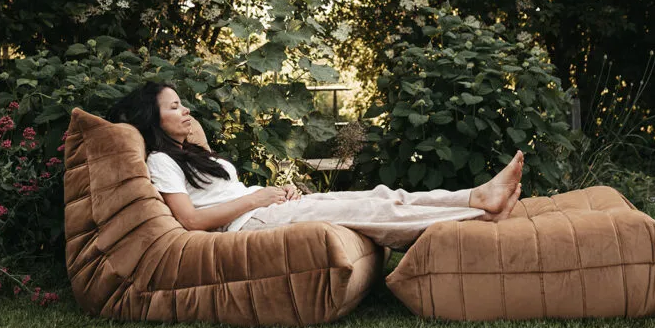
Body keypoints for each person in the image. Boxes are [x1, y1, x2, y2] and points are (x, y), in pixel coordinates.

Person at [108, 81, 523, 250]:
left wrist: (271, 194)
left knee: (379, 196)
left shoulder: (190, 155)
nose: (187, 113)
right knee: (374, 209)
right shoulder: (160, 160)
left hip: (264, 211)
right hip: (250, 224)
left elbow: (222, 193)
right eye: (175, 106)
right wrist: (259, 198)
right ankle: (477, 208)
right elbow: (190, 222)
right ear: (152, 119)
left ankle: (476, 200)